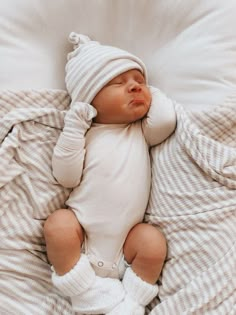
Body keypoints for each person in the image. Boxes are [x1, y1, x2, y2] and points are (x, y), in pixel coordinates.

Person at [43, 32, 176, 315]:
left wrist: (155, 92)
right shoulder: (85, 134)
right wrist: (74, 127)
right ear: (90, 98)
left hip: (127, 246)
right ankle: (86, 293)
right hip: (81, 240)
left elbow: (166, 120)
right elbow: (66, 176)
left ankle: (130, 303)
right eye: (119, 82)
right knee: (58, 223)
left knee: (152, 241)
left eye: (140, 82)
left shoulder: (140, 131)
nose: (135, 87)